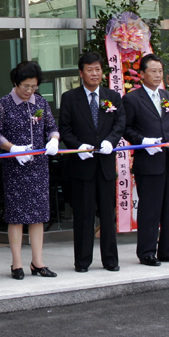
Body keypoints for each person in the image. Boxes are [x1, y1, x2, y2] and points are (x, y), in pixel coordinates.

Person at [0, 61, 60, 280]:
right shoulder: (4, 104)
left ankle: (38, 262)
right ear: (15, 83)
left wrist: (54, 140)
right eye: (25, 86)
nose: (29, 91)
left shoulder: (40, 102)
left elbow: (52, 128)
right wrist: (13, 149)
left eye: (34, 86)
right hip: (15, 166)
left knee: (38, 215)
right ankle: (17, 263)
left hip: (38, 166)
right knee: (16, 216)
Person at [121, 54, 169, 266]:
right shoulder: (132, 99)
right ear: (141, 74)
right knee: (149, 209)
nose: (158, 75)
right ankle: (147, 252)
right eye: (153, 71)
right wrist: (143, 141)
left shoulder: (168, 96)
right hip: (149, 162)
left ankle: (167, 249)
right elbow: (126, 129)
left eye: (160, 71)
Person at [59, 52, 126, 273]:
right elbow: (65, 129)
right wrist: (78, 147)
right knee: (84, 215)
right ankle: (82, 261)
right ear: (81, 73)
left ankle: (110, 260)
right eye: (90, 70)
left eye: (98, 69)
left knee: (107, 215)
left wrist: (110, 141)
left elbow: (119, 123)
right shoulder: (70, 98)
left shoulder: (112, 97)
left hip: (105, 164)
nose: (95, 74)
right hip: (82, 166)